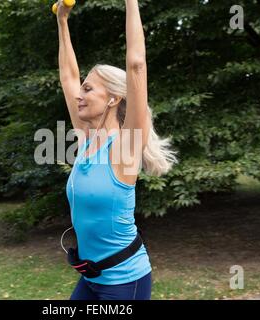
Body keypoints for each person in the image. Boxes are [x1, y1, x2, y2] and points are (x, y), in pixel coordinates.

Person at [56, 0, 178, 300]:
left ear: (112, 99)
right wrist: (62, 21)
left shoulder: (125, 146)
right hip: (91, 278)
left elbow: (136, 64)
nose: (79, 95)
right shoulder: (86, 140)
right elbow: (68, 77)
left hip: (125, 282)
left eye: (88, 89)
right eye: (82, 89)